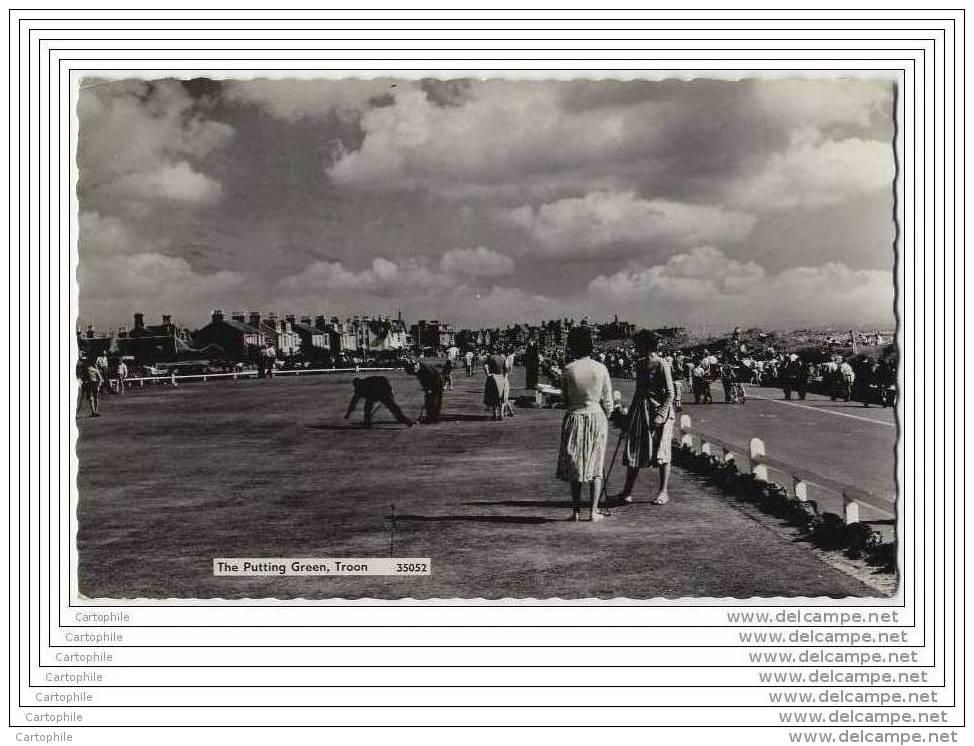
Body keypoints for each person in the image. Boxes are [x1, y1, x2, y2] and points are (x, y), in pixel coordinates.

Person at [556, 326, 613, 522]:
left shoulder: (568, 369)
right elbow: (608, 402)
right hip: (597, 416)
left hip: (575, 416)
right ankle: (594, 511)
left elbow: (564, 400)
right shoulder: (601, 368)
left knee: (575, 464)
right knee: (596, 463)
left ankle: (576, 511)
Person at [616, 331, 675, 505]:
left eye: (638, 345)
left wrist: (659, 416)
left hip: (659, 413)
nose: (635, 348)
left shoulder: (662, 364)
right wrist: (629, 417)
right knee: (635, 450)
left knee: (662, 452)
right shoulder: (641, 364)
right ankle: (627, 492)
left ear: (646, 346)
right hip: (642, 411)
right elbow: (638, 392)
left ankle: (663, 491)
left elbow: (670, 394)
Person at [344, 376, 414, 428]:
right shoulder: (359, 389)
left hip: (382, 392)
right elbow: (354, 402)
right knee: (368, 409)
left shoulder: (368, 382)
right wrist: (348, 413)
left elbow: (385, 382)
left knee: (394, 409)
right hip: (373, 395)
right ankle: (367, 423)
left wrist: (389, 393)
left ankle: (406, 421)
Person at [407, 358, 445, 424]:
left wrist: (429, 389)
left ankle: (434, 418)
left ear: (416, 365)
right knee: (428, 399)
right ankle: (430, 417)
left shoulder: (426, 369)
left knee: (434, 400)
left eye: (414, 369)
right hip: (432, 382)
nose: (414, 372)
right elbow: (422, 380)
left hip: (437, 383)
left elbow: (432, 379)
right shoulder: (419, 369)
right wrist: (426, 389)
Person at [483, 348, 511, 421]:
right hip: (502, 377)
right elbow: (507, 369)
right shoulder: (503, 358)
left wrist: (488, 374)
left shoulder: (490, 357)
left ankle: (495, 415)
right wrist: (505, 378)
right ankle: (501, 414)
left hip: (493, 377)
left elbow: (485, 366)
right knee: (502, 396)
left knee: (493, 396)